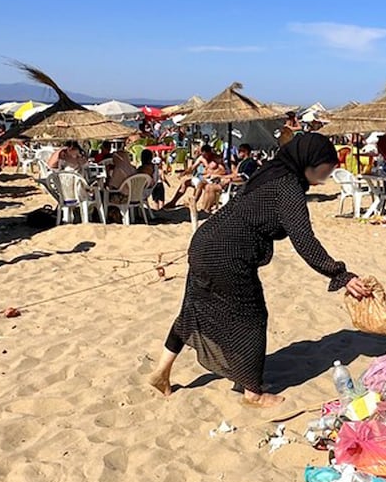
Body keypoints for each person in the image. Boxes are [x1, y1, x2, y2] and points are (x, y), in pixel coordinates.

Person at [149, 133, 370, 408]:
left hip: (205, 242)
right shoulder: (288, 188)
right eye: (326, 168)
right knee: (252, 318)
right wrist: (340, 274)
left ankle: (161, 371)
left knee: (193, 307)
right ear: (309, 162)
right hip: (228, 255)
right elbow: (305, 241)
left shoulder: (272, 171)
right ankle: (253, 392)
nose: (328, 174)